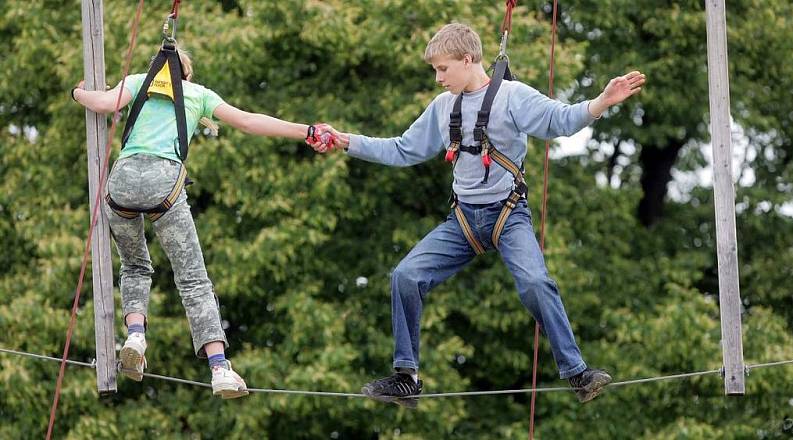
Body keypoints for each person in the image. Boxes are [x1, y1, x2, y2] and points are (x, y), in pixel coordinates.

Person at [313, 23, 646, 405]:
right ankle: (406, 376)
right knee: (405, 276)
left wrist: (602, 101)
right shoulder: (443, 107)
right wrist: (346, 141)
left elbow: (561, 121)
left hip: (508, 217)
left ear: (467, 60)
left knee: (536, 284)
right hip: (464, 222)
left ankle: (578, 373)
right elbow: (402, 150)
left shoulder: (512, 97)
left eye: (443, 69)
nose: (438, 78)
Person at [72, 45, 326, 399]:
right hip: (165, 184)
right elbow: (250, 122)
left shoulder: (138, 83)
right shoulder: (198, 94)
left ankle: (135, 336)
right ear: (186, 75)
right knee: (192, 279)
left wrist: (78, 91)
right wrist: (307, 130)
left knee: (134, 266)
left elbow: (101, 104)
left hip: (122, 184)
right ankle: (220, 368)